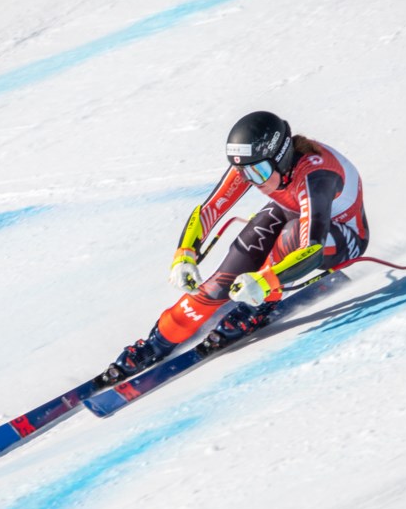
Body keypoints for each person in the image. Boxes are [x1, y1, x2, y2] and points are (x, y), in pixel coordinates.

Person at [103, 110, 369, 382]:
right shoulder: (254, 166)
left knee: (289, 237)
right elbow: (210, 210)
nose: (253, 180)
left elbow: (311, 248)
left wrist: (265, 282)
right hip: (293, 213)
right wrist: (184, 255)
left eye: (260, 171)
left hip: (340, 237)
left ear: (281, 157)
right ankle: (157, 343)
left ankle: (261, 305)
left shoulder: (316, 174)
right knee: (221, 281)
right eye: (245, 172)